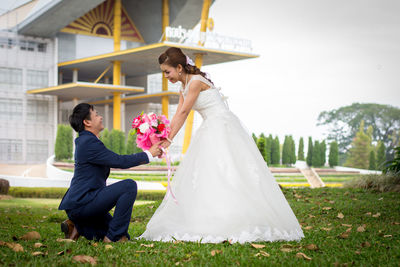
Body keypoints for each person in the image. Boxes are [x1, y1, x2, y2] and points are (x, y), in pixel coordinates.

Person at [139, 47, 305, 243]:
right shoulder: (183, 86)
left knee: (230, 170)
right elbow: (178, 114)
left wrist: (169, 140)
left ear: (179, 67)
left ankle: (238, 218)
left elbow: (184, 113)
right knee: (211, 173)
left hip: (221, 126)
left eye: (167, 72)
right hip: (210, 126)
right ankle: (214, 214)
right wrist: (164, 137)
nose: (166, 76)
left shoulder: (195, 83)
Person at [58, 103, 162, 242]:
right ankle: (111, 237)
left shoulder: (87, 141)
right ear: (87, 122)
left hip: (84, 203)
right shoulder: (88, 143)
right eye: (96, 115)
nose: (100, 117)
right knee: (128, 186)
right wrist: (149, 154)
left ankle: (75, 225)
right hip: (83, 203)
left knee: (116, 233)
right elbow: (120, 161)